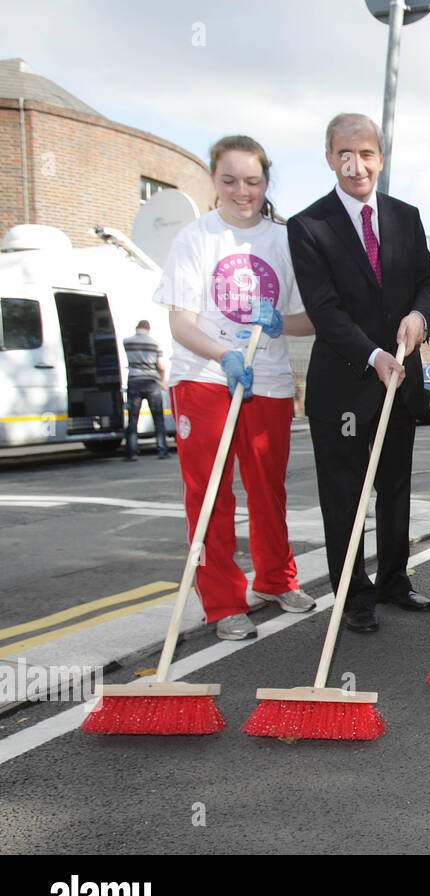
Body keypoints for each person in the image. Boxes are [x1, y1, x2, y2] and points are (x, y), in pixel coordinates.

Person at [154, 134, 317, 641]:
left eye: (252, 181)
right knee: (210, 494)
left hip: (265, 379)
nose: (241, 191)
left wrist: (279, 325)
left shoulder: (284, 240)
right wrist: (220, 352)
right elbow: (180, 321)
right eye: (229, 180)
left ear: (266, 182)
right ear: (214, 181)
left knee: (268, 488)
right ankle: (223, 600)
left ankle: (274, 579)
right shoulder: (196, 238)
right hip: (205, 379)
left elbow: (311, 319)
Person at [288, 113, 430, 633]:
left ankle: (396, 581)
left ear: (381, 156)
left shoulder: (406, 216)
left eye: (367, 153)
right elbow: (325, 310)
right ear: (330, 158)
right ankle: (353, 596)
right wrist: (374, 356)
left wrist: (421, 316)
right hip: (346, 383)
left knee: (396, 486)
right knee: (345, 494)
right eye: (345, 154)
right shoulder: (308, 226)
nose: (357, 165)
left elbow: (429, 284)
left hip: (400, 382)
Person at [122, 319, 170, 461]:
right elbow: (161, 365)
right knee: (158, 418)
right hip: (152, 382)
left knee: (133, 419)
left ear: (137, 328)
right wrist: (162, 381)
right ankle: (162, 450)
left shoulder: (127, 342)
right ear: (148, 329)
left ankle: (132, 452)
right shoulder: (154, 343)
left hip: (134, 381)